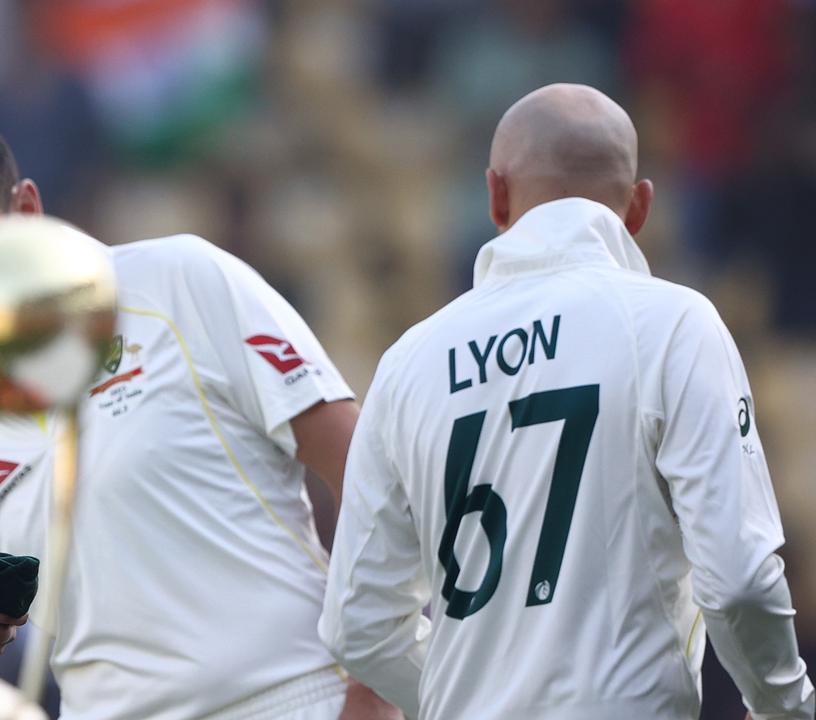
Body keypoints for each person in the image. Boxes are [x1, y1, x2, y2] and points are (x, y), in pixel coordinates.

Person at [319, 83, 815, 720]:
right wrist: (784, 707)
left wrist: (468, 699)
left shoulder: (406, 363)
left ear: (496, 195)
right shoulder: (672, 325)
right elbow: (740, 579)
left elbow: (358, 625)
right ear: (638, 208)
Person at [0, 115, 399, 720]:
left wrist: (375, 686)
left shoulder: (179, 282)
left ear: (26, 210)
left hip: (292, 698)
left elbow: (366, 468)